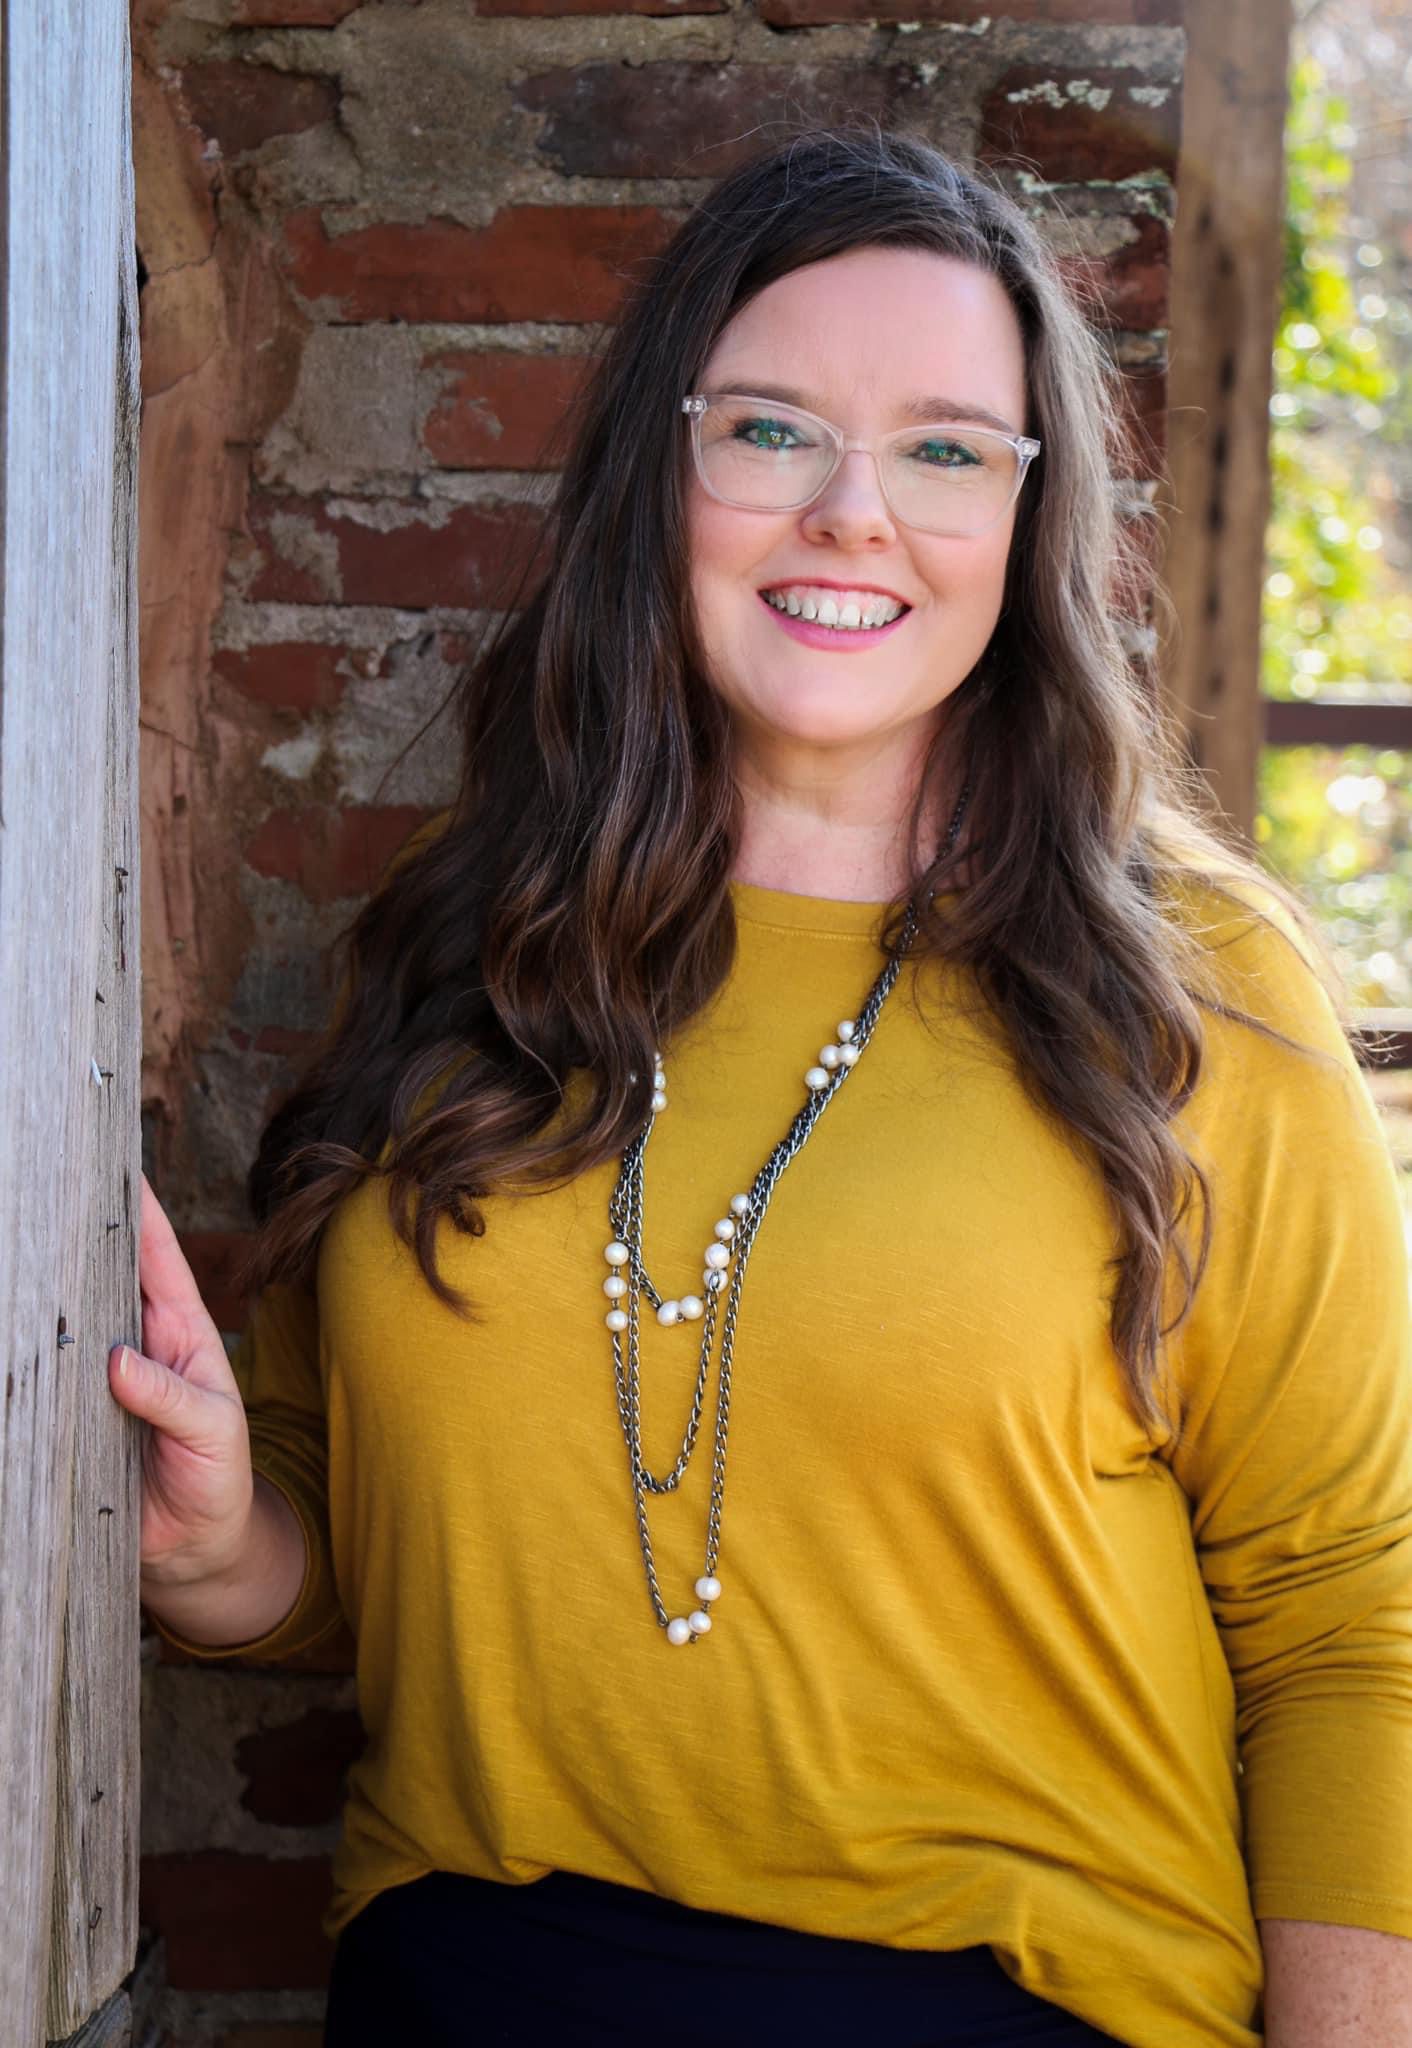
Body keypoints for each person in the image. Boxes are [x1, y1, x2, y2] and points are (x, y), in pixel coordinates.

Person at [111, 126, 1412, 2046]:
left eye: (948, 448)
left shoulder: (1196, 985)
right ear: (665, 468)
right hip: (474, 1988)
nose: (853, 516)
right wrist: (222, 1550)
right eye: (775, 431)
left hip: (1011, 2006)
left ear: (1026, 518)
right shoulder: (470, 938)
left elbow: (1350, 1628)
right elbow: (345, 1548)